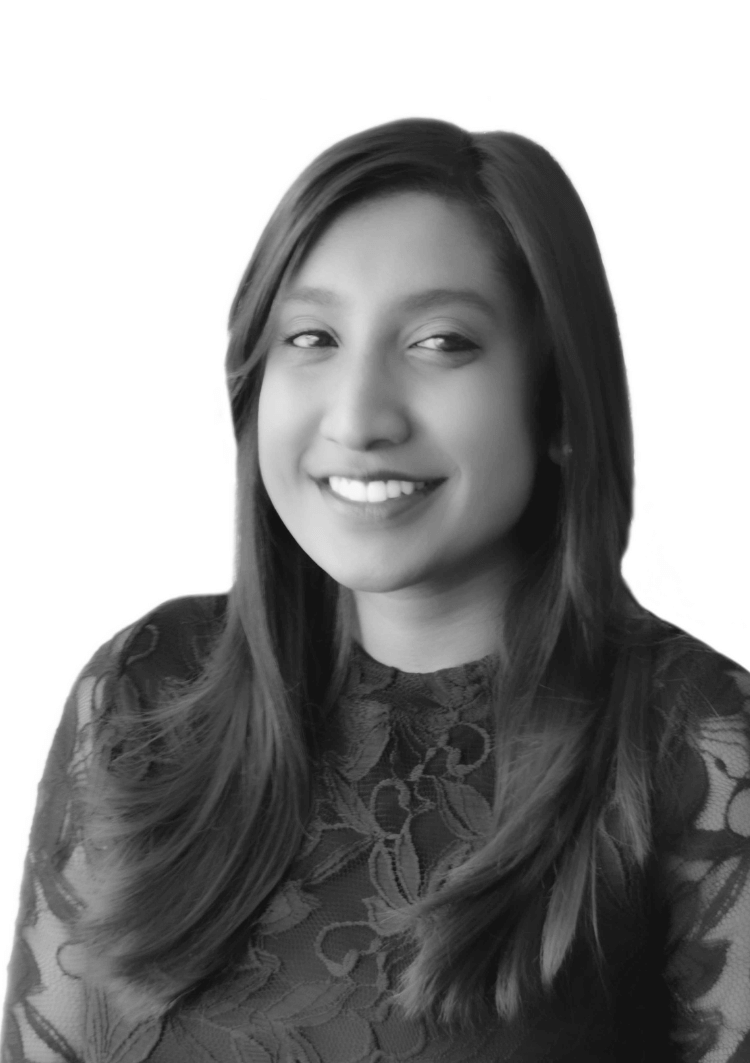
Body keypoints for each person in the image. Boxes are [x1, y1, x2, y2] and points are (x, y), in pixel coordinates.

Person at [2, 118, 749, 1063]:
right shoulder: (145, 692)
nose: (357, 416)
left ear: (559, 403)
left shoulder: (701, 752)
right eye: (312, 336)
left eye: (439, 342)